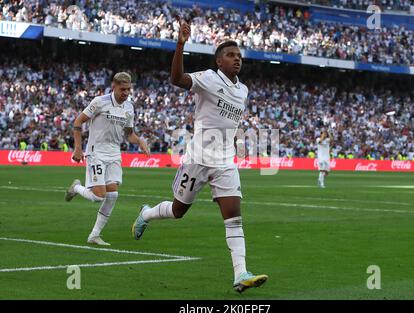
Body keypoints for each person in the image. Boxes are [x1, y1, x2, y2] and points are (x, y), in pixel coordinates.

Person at [131, 20, 268, 293]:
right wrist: (181, 44)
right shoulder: (208, 78)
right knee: (178, 210)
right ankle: (146, 213)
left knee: (234, 218)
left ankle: (240, 273)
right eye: (230, 55)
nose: (236, 59)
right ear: (219, 61)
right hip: (197, 158)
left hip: (225, 161)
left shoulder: (243, 90)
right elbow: (176, 79)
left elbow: (230, 123)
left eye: (239, 56)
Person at [65, 72, 150, 246]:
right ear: (114, 86)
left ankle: (94, 235)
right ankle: (76, 188)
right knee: (98, 196)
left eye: (128, 89)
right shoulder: (99, 102)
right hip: (96, 153)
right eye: (122, 89)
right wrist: (78, 148)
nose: (126, 93)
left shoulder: (129, 108)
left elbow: (129, 134)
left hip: (114, 154)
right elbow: (78, 122)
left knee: (112, 195)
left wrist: (139, 141)